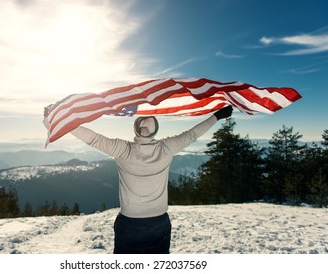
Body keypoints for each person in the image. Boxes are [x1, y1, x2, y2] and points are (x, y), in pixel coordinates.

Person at [50, 105, 232, 253]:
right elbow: (193, 134)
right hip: (159, 223)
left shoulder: (123, 150)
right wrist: (216, 116)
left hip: (130, 224)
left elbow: (93, 139)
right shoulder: (166, 148)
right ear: (155, 131)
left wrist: (60, 121)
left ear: (136, 129)